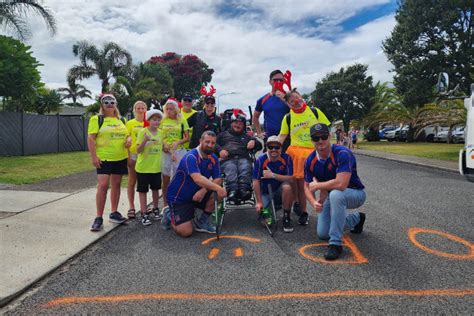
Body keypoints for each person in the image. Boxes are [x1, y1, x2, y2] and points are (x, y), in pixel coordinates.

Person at [304, 123, 367, 261]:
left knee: (336, 194)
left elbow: (341, 184)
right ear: (311, 140)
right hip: (331, 195)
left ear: (330, 136)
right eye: (316, 138)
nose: (320, 141)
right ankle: (357, 219)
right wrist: (313, 202)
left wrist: (318, 186)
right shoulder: (310, 160)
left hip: (355, 193)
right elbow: (307, 186)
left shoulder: (343, 153)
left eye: (323, 136)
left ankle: (335, 244)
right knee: (322, 233)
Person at [278, 88, 331, 226]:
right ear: (288, 104)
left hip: (315, 152)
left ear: (301, 96)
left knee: (323, 182)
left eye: (296, 97)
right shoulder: (288, 117)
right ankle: (303, 212)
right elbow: (282, 136)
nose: (295, 101)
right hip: (296, 154)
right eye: (291, 101)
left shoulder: (315, 111)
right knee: (299, 185)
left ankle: (325, 209)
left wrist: (329, 148)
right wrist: (273, 148)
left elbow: (326, 130)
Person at [162, 131, 227, 237]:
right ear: (200, 141)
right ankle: (169, 214)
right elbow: (197, 179)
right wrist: (217, 188)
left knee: (218, 193)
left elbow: (218, 179)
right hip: (179, 198)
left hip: (197, 193)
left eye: (213, 143)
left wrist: (204, 190)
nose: (210, 145)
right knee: (186, 232)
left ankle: (202, 222)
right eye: (207, 142)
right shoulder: (191, 156)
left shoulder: (213, 158)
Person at [87, 94, 131, 231]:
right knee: (103, 185)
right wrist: (94, 157)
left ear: (116, 104)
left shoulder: (122, 120)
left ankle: (114, 212)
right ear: (102, 104)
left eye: (112, 101)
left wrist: (129, 140)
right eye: (106, 102)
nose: (109, 104)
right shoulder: (97, 119)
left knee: (116, 184)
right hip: (104, 158)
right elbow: (90, 139)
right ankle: (98, 217)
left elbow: (127, 135)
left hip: (120, 157)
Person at [217, 110, 262, 202]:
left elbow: (259, 146)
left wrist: (254, 142)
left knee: (245, 166)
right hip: (227, 159)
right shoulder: (222, 135)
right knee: (231, 167)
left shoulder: (247, 136)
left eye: (240, 124)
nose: (237, 125)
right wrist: (220, 150)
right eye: (235, 123)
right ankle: (232, 190)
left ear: (244, 126)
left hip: (243, 158)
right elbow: (213, 144)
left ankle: (244, 189)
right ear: (231, 123)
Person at [252, 136, 294, 232]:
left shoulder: (286, 158)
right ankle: (272, 206)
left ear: (281, 148)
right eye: (271, 147)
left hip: (279, 189)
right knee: (266, 223)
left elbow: (291, 179)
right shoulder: (260, 160)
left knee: (287, 187)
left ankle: (286, 216)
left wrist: (273, 175)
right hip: (266, 192)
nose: (274, 150)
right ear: (267, 148)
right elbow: (256, 181)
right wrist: (259, 202)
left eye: (277, 147)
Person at [135, 108, 164, 226]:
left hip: (156, 167)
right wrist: (145, 141)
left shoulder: (161, 133)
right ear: (149, 120)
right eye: (154, 119)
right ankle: (144, 213)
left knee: (156, 190)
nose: (156, 122)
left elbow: (163, 146)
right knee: (143, 191)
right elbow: (138, 150)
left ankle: (156, 209)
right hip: (143, 168)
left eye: (158, 120)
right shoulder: (143, 132)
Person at [160, 98, 190, 209]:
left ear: (176, 109)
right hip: (166, 152)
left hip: (179, 152)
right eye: (167, 109)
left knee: (179, 177)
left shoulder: (182, 120)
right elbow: (157, 135)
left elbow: (187, 138)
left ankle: (178, 201)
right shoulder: (162, 120)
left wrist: (178, 142)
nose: (169, 111)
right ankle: (165, 204)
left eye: (171, 109)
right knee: (166, 178)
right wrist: (163, 144)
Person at [253, 70, 290, 144]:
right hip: (270, 139)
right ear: (270, 82)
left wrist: (285, 99)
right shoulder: (263, 99)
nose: (278, 82)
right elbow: (255, 117)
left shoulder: (290, 97)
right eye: (275, 80)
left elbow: (299, 110)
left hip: (289, 138)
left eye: (281, 80)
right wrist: (259, 133)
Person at [125, 101, 147, 219]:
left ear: (146, 110)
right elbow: (126, 142)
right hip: (133, 154)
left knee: (143, 182)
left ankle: (143, 207)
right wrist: (128, 157)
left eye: (142, 108)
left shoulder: (148, 123)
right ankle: (131, 207)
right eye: (138, 108)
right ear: (134, 110)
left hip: (145, 156)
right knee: (132, 181)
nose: (140, 110)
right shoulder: (129, 123)